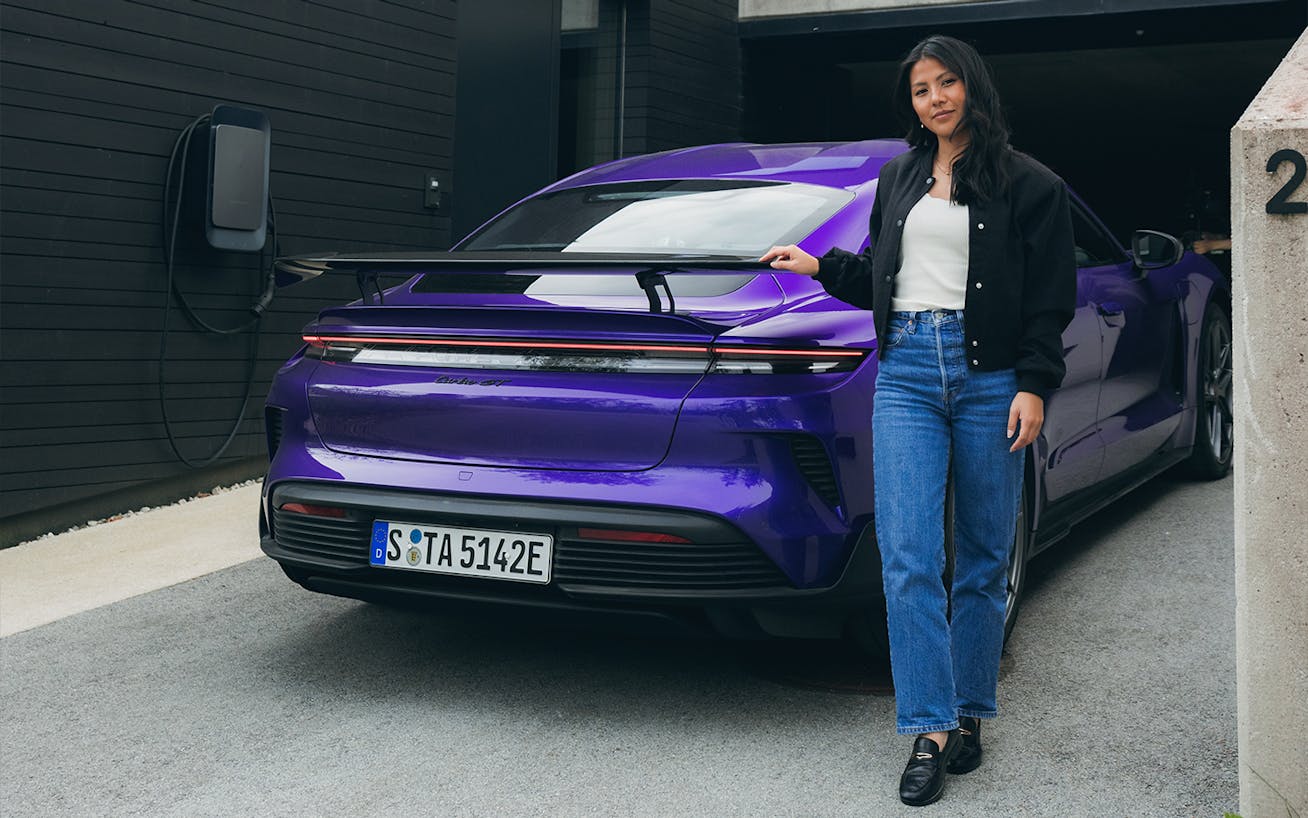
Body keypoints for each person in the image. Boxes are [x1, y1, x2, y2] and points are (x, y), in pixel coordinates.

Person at [760, 35, 1075, 807]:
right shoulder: (897, 177)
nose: (934, 99)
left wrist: (1034, 384)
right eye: (920, 90)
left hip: (989, 377)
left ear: (973, 87)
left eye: (946, 84)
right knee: (906, 556)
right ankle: (928, 731)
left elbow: (1049, 299)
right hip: (903, 371)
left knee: (979, 554)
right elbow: (881, 274)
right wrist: (819, 267)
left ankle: (971, 716)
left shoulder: (1031, 185)